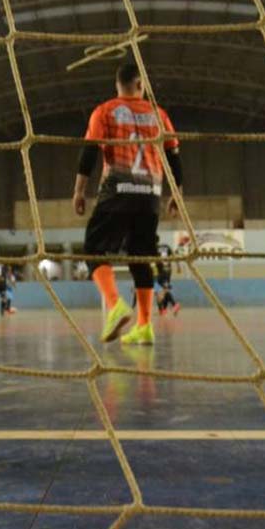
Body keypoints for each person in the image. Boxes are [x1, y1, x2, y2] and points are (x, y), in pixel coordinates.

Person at [72, 62, 182, 345]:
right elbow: (174, 158)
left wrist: (79, 192)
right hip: (150, 196)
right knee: (141, 256)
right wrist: (176, 196)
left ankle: (115, 304)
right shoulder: (159, 114)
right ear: (140, 85)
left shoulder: (105, 110)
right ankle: (145, 326)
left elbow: (89, 153)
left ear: (117, 85)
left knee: (94, 249)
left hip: (118, 190)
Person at [154, 239, 179, 316]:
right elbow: (174, 256)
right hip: (167, 271)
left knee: (161, 290)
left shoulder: (154, 249)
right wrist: (178, 266)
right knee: (162, 290)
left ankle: (174, 305)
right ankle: (163, 309)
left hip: (162, 271)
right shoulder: (166, 246)